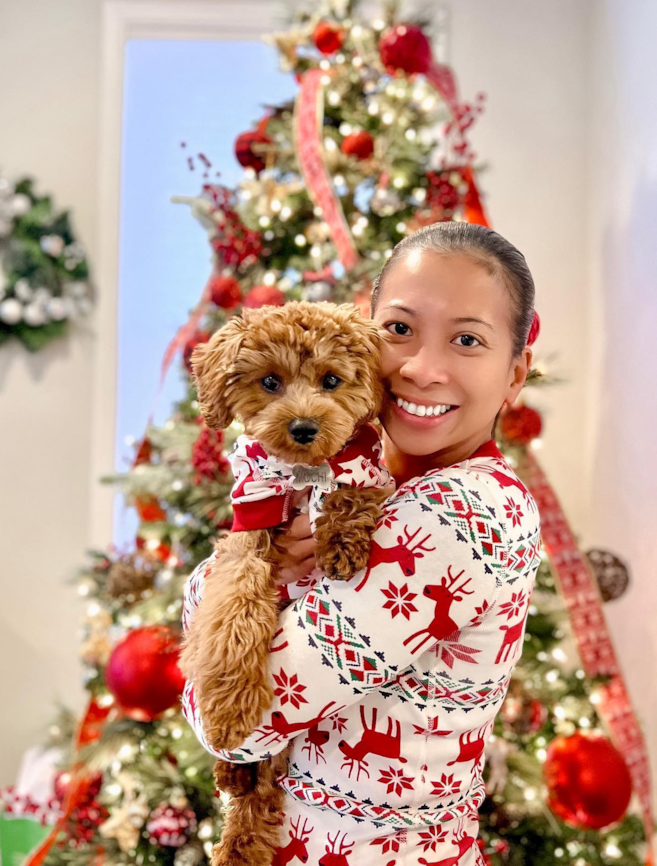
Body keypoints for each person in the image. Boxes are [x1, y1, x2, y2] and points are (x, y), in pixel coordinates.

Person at [182, 223, 542, 866]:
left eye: (467, 340)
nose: (422, 370)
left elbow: (234, 724)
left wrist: (226, 572)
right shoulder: (361, 482)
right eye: (400, 330)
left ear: (515, 374)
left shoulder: (464, 515)